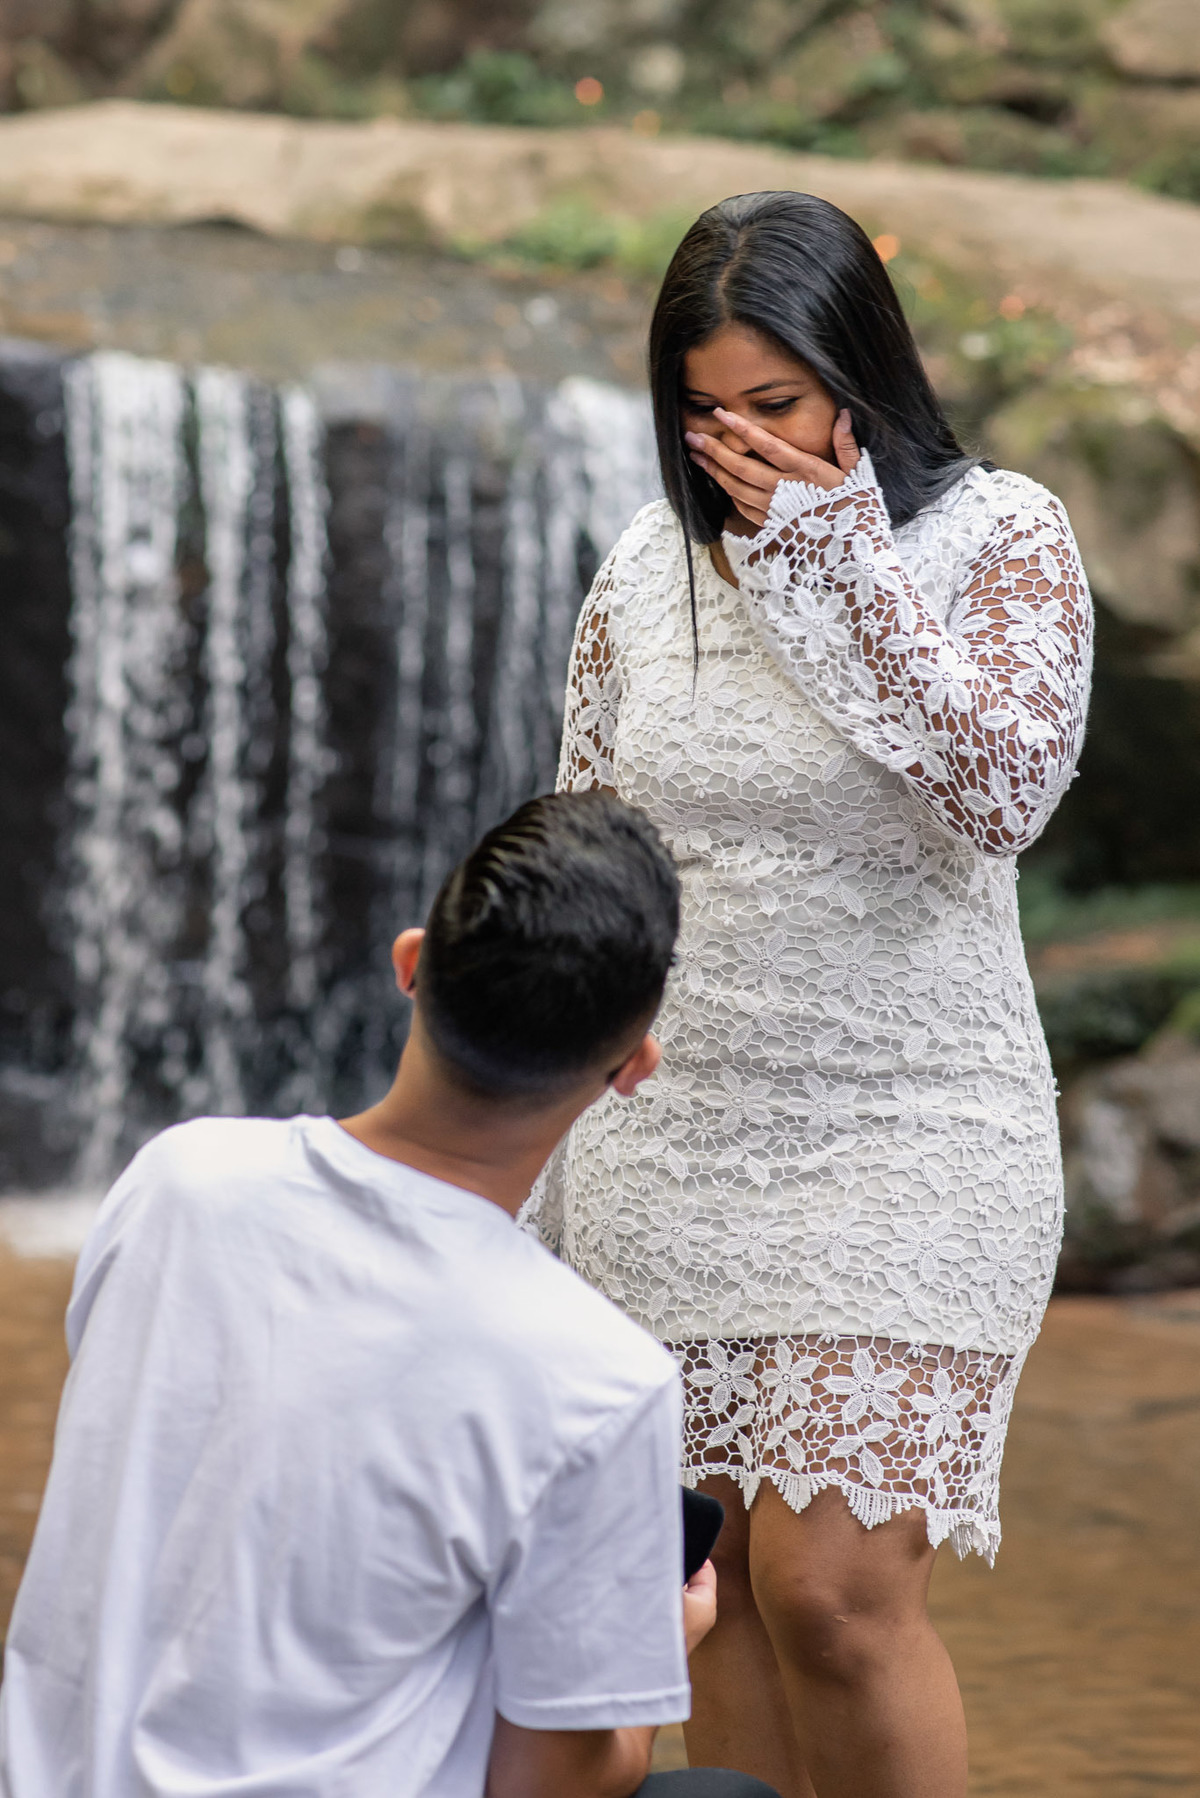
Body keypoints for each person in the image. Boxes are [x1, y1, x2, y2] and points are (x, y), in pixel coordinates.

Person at [524, 191, 1093, 1798]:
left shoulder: (1004, 536)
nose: (738, 441)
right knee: (717, 1614)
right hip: (672, 1130)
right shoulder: (646, 565)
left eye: (774, 404)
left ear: (863, 374)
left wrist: (841, 563)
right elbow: (588, 837)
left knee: (834, 1597)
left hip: (917, 1122)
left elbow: (1002, 791)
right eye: (702, 411)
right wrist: (520, 1121)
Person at [0, 792, 779, 1798]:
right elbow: (548, 1783)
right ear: (633, 1066)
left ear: (411, 965)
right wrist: (643, 1658)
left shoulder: (173, 1182)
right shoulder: (598, 1375)